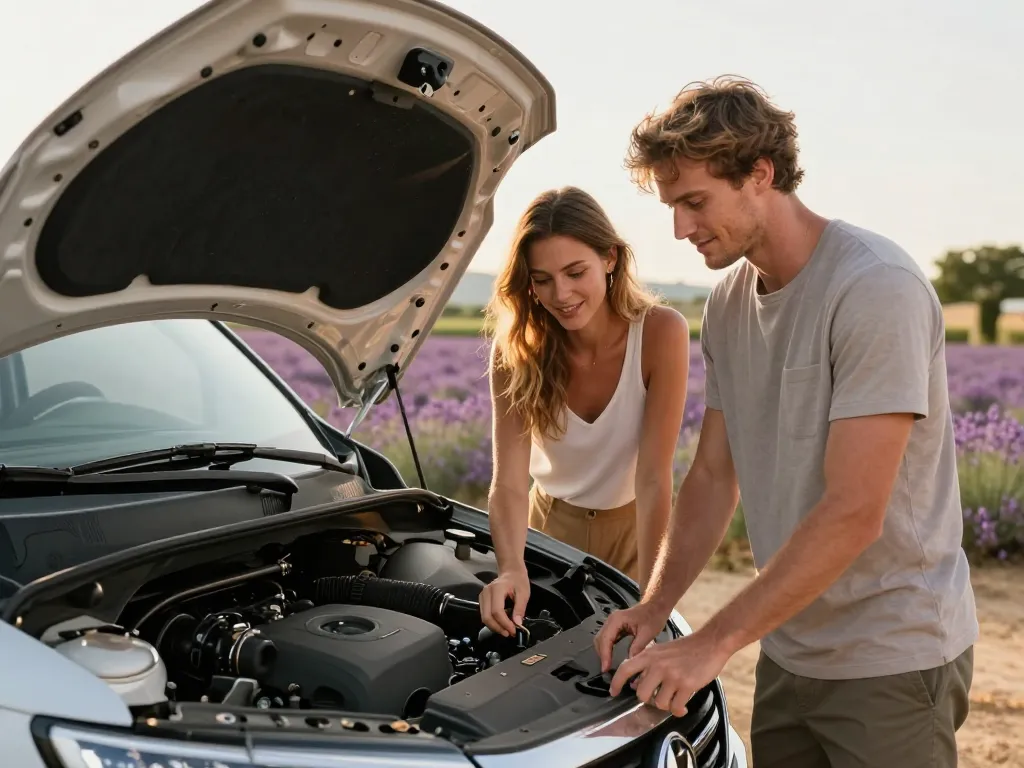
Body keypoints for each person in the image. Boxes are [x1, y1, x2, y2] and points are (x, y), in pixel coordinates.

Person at [594, 76, 978, 767]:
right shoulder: (731, 304)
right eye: (672, 206)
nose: (680, 227)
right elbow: (713, 476)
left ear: (760, 174)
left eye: (694, 201)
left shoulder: (874, 289)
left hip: (889, 656)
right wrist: (656, 607)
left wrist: (711, 644)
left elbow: (856, 510)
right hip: (788, 643)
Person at [478, 186, 690, 639]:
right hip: (546, 530)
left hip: (635, 534)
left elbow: (654, 478)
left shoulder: (660, 333)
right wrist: (511, 567)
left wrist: (655, 598)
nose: (562, 294)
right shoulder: (515, 349)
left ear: (610, 258)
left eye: (576, 272)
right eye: (543, 279)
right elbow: (510, 482)